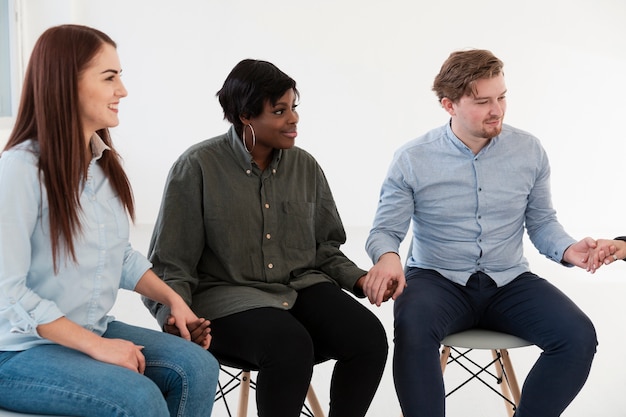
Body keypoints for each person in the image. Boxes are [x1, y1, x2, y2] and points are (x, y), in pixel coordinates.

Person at [143, 58, 388, 417]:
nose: (293, 119)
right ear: (246, 115)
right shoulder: (196, 166)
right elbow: (171, 263)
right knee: (289, 346)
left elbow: (324, 248)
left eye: (293, 108)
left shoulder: (305, 166)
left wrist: (361, 279)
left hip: (299, 284)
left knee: (367, 336)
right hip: (226, 295)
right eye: (279, 110)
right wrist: (174, 316)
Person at [362, 49, 598, 417]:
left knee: (578, 336)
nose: (497, 110)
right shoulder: (412, 158)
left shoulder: (529, 150)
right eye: (483, 101)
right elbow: (384, 231)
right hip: (437, 279)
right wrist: (389, 258)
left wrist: (568, 250)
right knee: (412, 328)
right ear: (449, 105)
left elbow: (540, 221)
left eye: (502, 97)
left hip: (510, 281)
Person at [0, 24, 218, 417]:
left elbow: (119, 256)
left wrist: (172, 300)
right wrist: (96, 346)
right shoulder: (20, 169)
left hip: (89, 330)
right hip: (16, 351)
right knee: (138, 397)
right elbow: (8, 291)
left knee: (198, 367)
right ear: (67, 82)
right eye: (109, 77)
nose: (123, 90)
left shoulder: (101, 165)